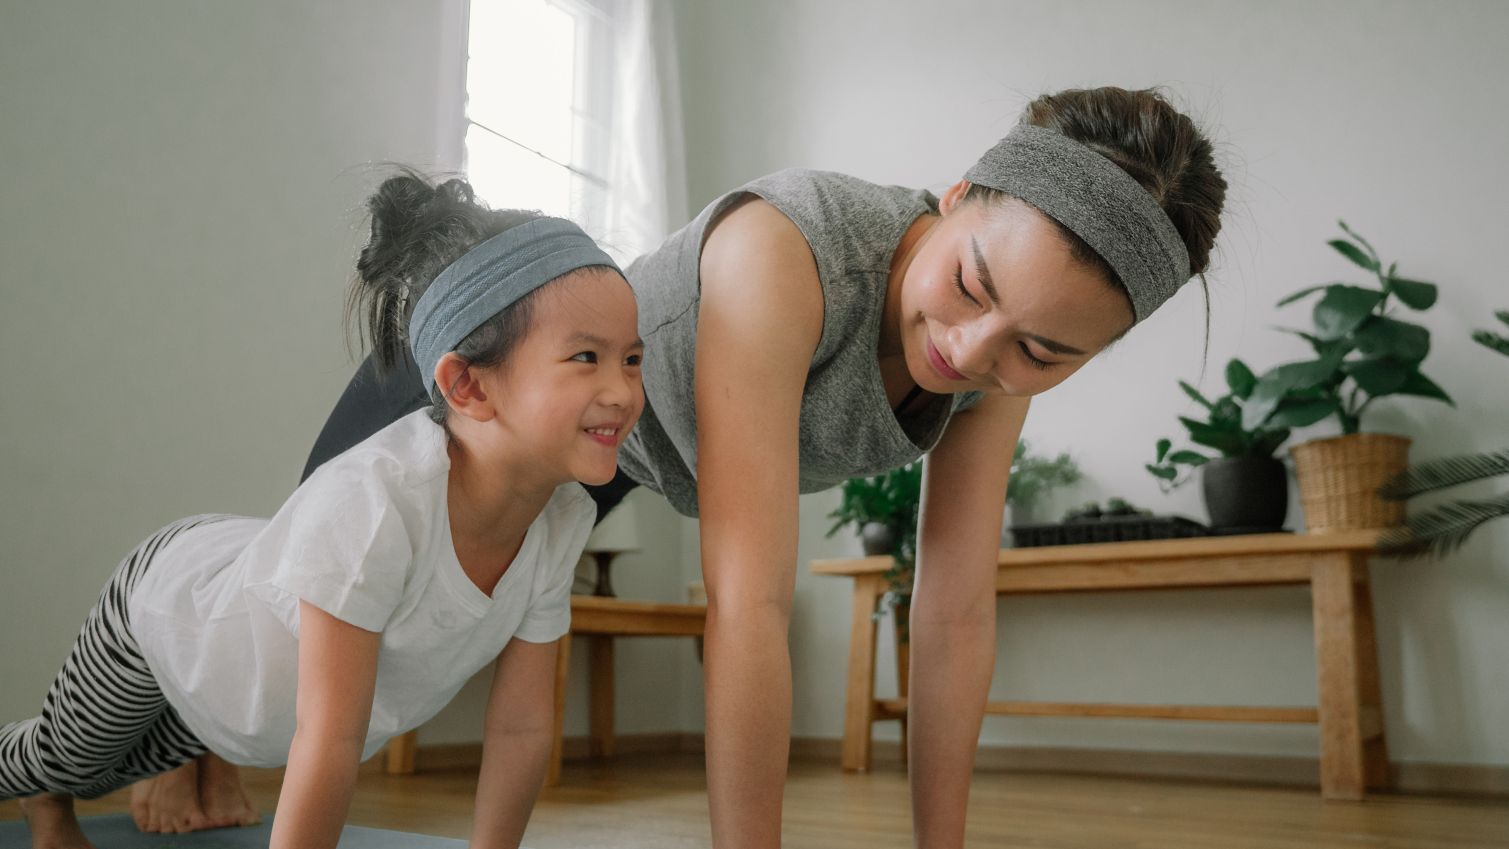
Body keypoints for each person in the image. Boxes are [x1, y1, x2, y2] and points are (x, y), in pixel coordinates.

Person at [139, 85, 1227, 848]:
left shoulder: (987, 368)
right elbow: (747, 601)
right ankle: (182, 742)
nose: (973, 354)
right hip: (519, 398)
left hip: (621, 457)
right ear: (953, 199)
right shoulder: (789, 250)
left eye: (1043, 352)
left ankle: (202, 748)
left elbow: (953, 614)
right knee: (290, 597)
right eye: (973, 285)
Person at [1, 174, 646, 849]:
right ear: (467, 385)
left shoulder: (561, 515)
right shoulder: (377, 504)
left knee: (138, 755)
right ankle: (46, 795)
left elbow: (520, 727)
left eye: (631, 359)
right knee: (69, 756)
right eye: (586, 357)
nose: (623, 390)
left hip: (248, 680)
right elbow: (330, 738)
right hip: (170, 609)